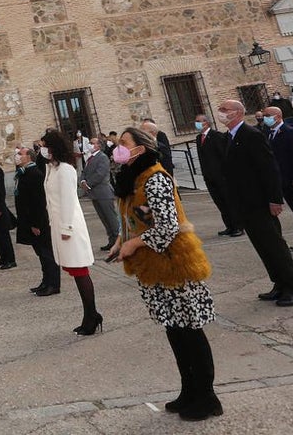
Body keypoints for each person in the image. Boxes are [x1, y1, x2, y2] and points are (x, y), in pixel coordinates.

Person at [112, 127, 220, 421]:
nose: (118, 148)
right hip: (153, 266)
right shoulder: (134, 179)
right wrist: (122, 240)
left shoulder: (155, 178)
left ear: (140, 149)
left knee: (189, 331)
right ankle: (189, 390)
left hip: (173, 264)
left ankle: (207, 397)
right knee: (174, 329)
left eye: (124, 143)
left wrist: (134, 244)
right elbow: (138, 217)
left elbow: (168, 227)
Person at [216, 99, 293, 307]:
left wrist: (275, 199)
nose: (221, 112)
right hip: (245, 204)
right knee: (263, 247)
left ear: (238, 113)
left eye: (225, 109)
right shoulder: (229, 137)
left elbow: (268, 168)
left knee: (275, 246)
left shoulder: (251, 135)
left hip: (260, 203)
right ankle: (279, 284)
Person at [42, 130, 101, 335]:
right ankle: (90, 314)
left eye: (45, 146)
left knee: (80, 270)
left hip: (70, 226)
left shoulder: (66, 169)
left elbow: (68, 199)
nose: (42, 150)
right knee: (75, 271)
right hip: (59, 224)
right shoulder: (52, 168)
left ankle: (91, 315)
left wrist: (66, 227)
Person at [263, 106, 293, 252]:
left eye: (268, 115)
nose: (265, 118)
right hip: (284, 180)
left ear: (278, 116)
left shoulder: (290, 132)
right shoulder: (270, 134)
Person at [15, 145, 60, 296]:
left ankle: (53, 284)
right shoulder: (24, 173)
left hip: (38, 222)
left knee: (46, 253)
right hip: (29, 220)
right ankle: (46, 281)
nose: (18, 156)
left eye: (20, 154)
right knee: (41, 254)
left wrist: (35, 224)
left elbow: (38, 202)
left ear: (29, 157)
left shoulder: (34, 174)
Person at [193, 114, 243, 237]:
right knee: (220, 202)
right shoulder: (199, 138)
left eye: (199, 121)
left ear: (206, 122)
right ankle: (229, 226)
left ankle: (238, 226)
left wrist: (225, 174)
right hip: (209, 177)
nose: (197, 123)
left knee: (229, 201)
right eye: (196, 121)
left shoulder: (217, 136)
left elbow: (224, 156)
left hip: (221, 177)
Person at [80, 136, 119, 252]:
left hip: (103, 192)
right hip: (94, 193)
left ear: (99, 145)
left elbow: (100, 174)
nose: (90, 145)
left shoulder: (102, 157)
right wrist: (82, 181)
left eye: (92, 143)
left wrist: (88, 184)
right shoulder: (90, 158)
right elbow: (84, 172)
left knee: (111, 218)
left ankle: (118, 241)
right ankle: (111, 240)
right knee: (104, 219)